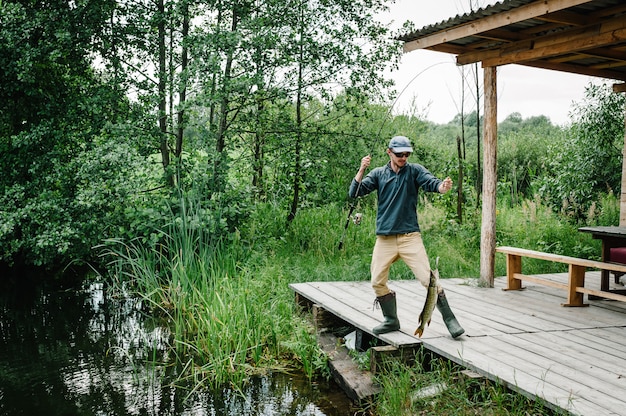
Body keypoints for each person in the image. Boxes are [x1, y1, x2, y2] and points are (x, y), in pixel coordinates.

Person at [349, 135, 464, 338]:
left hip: (410, 237)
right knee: (377, 281)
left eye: (406, 154)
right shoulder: (378, 174)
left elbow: (432, 183)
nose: (403, 157)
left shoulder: (415, 171)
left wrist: (442, 187)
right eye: (399, 154)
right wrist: (361, 169)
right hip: (385, 239)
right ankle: (391, 320)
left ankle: (450, 320)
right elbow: (354, 192)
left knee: (429, 280)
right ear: (389, 153)